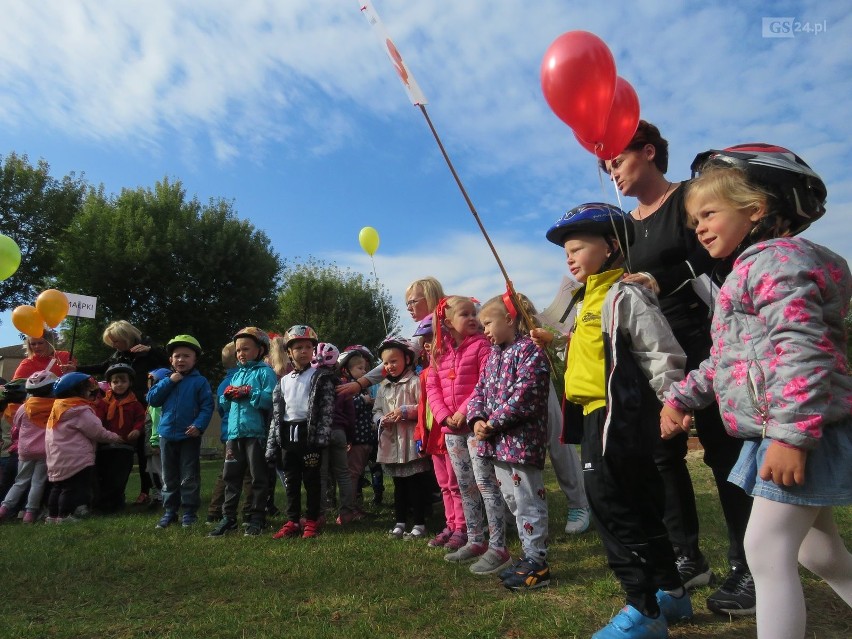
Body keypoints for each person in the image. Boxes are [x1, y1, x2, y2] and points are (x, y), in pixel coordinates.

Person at [661, 144, 852, 638]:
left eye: (709, 213)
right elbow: (729, 360)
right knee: (818, 551)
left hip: (800, 431)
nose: (698, 227)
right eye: (693, 218)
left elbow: (803, 353)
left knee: (765, 551)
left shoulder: (775, 264)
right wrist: (684, 396)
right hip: (790, 427)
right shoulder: (749, 270)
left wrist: (790, 436)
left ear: (757, 209)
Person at [603, 121, 754, 606]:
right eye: (606, 167)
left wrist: (658, 278)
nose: (613, 174)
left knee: (722, 451)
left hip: (704, 340)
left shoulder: (692, 199)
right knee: (664, 457)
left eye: (619, 161)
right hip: (654, 354)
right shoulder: (623, 227)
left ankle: (747, 564)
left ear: (648, 152)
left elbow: (717, 256)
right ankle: (688, 558)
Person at [546, 203, 693, 638]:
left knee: (614, 509)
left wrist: (675, 401)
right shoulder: (584, 298)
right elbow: (589, 354)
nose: (569, 257)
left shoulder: (624, 294)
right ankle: (672, 592)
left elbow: (659, 350)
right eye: (566, 251)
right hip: (593, 415)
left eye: (577, 248)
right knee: (642, 505)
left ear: (611, 245)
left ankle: (644, 611)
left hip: (618, 417)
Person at [468, 292, 552, 588]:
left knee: (529, 501)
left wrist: (494, 421)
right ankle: (527, 556)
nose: (485, 331)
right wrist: (477, 419)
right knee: (513, 502)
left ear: (508, 319)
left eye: (488, 323)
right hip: (498, 444)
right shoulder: (493, 357)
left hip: (521, 443)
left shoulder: (530, 351)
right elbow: (478, 392)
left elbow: (527, 393)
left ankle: (537, 563)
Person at [65, 320, 170, 507]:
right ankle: (112, 493)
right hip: (122, 405)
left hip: (144, 404)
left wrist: (150, 352)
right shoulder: (118, 355)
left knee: (145, 451)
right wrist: (77, 370)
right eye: (111, 342)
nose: (114, 345)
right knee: (122, 453)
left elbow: (169, 361)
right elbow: (102, 367)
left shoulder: (148, 348)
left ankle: (148, 491)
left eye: (116, 341)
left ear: (126, 337)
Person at [426, 295, 493, 563]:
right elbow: (432, 387)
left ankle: (494, 537)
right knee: (464, 484)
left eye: (474, 313)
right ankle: (474, 538)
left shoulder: (482, 346)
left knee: (484, 482)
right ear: (447, 321)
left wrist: (463, 411)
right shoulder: (438, 353)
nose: (473, 318)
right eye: (465, 314)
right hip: (451, 431)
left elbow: (484, 382)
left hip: (474, 426)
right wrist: (444, 417)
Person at [267, 325, 335, 540]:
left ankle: (312, 520)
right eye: (298, 347)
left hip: (310, 435)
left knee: (312, 480)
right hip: (288, 435)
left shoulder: (321, 377)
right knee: (291, 480)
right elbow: (277, 414)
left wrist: (321, 437)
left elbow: (326, 408)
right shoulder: (283, 381)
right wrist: (273, 443)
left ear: (313, 350)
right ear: (289, 351)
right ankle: (293, 520)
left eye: (308, 347)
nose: (304, 351)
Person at [209, 327, 276, 537]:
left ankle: (256, 518)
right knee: (231, 476)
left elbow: (271, 400)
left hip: (256, 433)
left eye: (246, 349)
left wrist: (250, 392)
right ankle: (228, 518)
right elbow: (224, 405)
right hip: (234, 434)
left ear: (260, 349)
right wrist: (226, 396)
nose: (241, 354)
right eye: (238, 350)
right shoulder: (236, 374)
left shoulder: (265, 372)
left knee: (257, 477)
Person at [147, 335, 214, 529]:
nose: (181, 360)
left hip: (189, 435)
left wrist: (199, 426)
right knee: (169, 476)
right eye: (177, 356)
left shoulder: (199, 382)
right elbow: (153, 400)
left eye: (186, 356)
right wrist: (170, 382)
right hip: (167, 435)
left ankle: (190, 512)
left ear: (195, 359)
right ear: (171, 360)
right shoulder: (166, 380)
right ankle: (170, 512)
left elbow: (207, 406)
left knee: (189, 475)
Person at [338, 276, 446, 396]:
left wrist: (359, 384)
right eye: (407, 303)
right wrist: (360, 384)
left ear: (430, 299)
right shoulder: (428, 331)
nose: (409, 308)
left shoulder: (447, 327)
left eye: (413, 302)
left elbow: (397, 356)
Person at [413, 315, 466, 550]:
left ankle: (462, 527)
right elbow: (423, 405)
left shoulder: (447, 366)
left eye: (431, 337)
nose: (426, 343)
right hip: (433, 436)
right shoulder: (426, 372)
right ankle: (451, 524)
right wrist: (419, 434)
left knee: (457, 484)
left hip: (448, 431)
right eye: (424, 339)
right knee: (444, 484)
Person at [373, 336, 432, 539]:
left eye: (394, 361)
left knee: (415, 484)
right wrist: (381, 419)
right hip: (392, 442)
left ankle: (419, 523)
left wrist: (405, 411)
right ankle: (399, 521)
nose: (390, 366)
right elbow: (377, 409)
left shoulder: (415, 382)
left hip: (410, 441)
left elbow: (425, 408)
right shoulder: (383, 387)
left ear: (407, 359)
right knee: (399, 484)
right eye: (386, 362)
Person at [45, 373, 125, 523]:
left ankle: (52, 515)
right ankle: (65, 516)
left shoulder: (58, 408)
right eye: (88, 389)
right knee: (73, 488)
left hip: (57, 457)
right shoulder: (79, 410)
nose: (92, 392)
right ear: (77, 391)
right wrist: (115, 437)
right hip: (76, 458)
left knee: (58, 487)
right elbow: (97, 431)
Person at [312, 342, 360, 525]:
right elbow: (350, 413)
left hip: (320, 434)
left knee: (321, 475)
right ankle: (347, 513)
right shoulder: (342, 385)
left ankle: (320, 515)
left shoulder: (312, 384)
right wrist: (350, 436)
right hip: (339, 432)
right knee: (344, 474)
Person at [0, 371, 57, 523]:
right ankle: (29, 513)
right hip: (45, 450)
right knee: (37, 482)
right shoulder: (55, 406)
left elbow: (16, 425)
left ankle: (4, 508)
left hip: (25, 450)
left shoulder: (24, 407)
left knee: (20, 481)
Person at [93, 362, 144, 513]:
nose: (119, 385)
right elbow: (97, 421)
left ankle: (117, 502)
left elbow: (141, 419)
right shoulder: (103, 403)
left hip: (125, 446)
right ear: (109, 384)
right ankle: (103, 504)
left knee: (120, 477)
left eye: (123, 381)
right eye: (115, 382)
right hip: (106, 446)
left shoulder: (135, 404)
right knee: (104, 475)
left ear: (130, 383)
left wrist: (137, 430)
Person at [338, 346, 382, 506]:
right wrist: (362, 401)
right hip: (355, 438)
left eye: (365, 368)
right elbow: (343, 407)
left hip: (365, 437)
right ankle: (349, 507)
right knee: (353, 473)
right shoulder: (347, 387)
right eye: (360, 368)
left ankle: (355, 505)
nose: (364, 371)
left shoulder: (363, 387)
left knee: (359, 471)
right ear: (346, 370)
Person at [206, 343, 239, 524]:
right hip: (241, 433)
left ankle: (214, 511)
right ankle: (251, 513)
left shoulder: (223, 384)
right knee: (249, 474)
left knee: (226, 473)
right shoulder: (242, 380)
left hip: (228, 433)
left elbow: (221, 409)